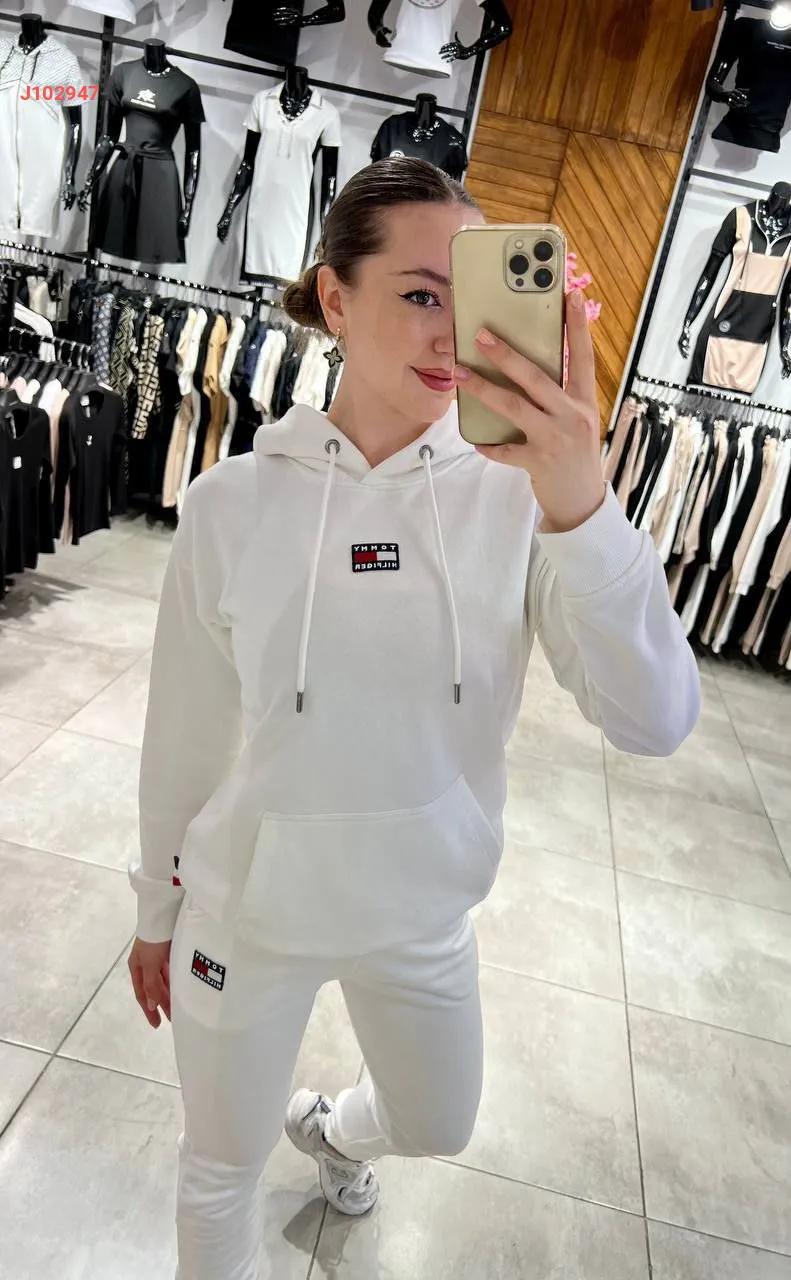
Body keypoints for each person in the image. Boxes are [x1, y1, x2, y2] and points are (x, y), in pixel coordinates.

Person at [128, 156, 700, 1279]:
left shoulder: (524, 501)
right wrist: (158, 903)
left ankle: (334, 1131)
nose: (451, 332)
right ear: (335, 299)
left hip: (420, 909)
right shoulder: (231, 505)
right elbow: (182, 732)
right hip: (246, 914)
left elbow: (655, 718)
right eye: (420, 292)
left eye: (472, 293)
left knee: (438, 1119)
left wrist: (580, 498)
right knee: (219, 1164)